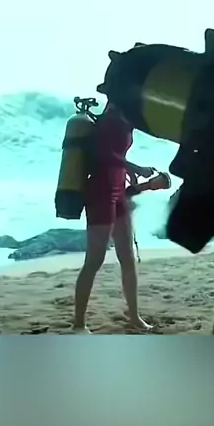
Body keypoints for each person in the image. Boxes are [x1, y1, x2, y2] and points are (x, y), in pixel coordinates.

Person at [72, 100, 155, 334]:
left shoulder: (126, 118)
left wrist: (127, 171)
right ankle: (78, 324)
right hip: (100, 193)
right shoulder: (110, 120)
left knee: (128, 257)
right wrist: (134, 167)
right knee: (94, 260)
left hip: (118, 191)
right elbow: (102, 154)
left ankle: (135, 317)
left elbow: (116, 155)